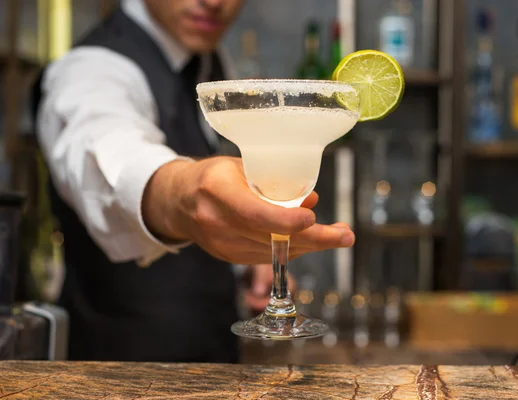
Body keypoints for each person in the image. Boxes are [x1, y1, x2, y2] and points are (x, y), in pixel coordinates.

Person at [32, 0, 355, 363]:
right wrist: (186, 193)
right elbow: (105, 149)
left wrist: (252, 260)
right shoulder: (90, 69)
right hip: (117, 372)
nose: (214, 2)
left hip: (215, 360)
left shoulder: (211, 64)